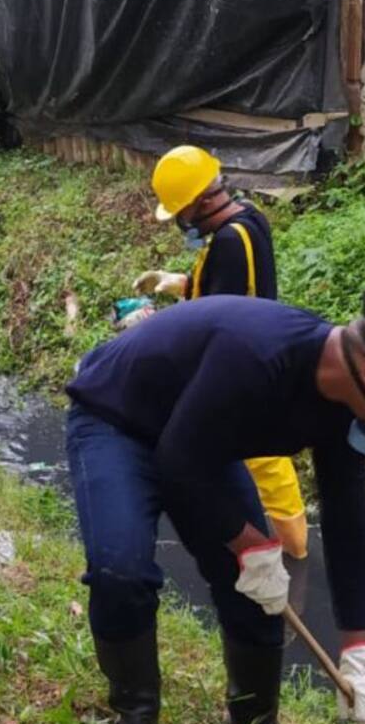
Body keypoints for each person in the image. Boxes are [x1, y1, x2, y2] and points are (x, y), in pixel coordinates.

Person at [65, 289, 365, 724]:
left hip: (201, 439)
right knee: (121, 569)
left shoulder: (345, 400)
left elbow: (347, 515)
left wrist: (359, 649)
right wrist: (249, 544)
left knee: (257, 593)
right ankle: (137, 720)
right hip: (118, 421)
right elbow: (177, 461)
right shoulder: (257, 353)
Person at [133, 145, 311, 622]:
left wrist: (156, 327)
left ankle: (290, 561)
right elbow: (229, 288)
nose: (180, 222)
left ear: (198, 203)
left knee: (259, 460)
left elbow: (219, 317)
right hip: (260, 357)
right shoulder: (247, 219)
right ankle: (287, 550)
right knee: (265, 465)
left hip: (244, 372)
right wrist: (178, 282)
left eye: (180, 212)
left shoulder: (231, 241)